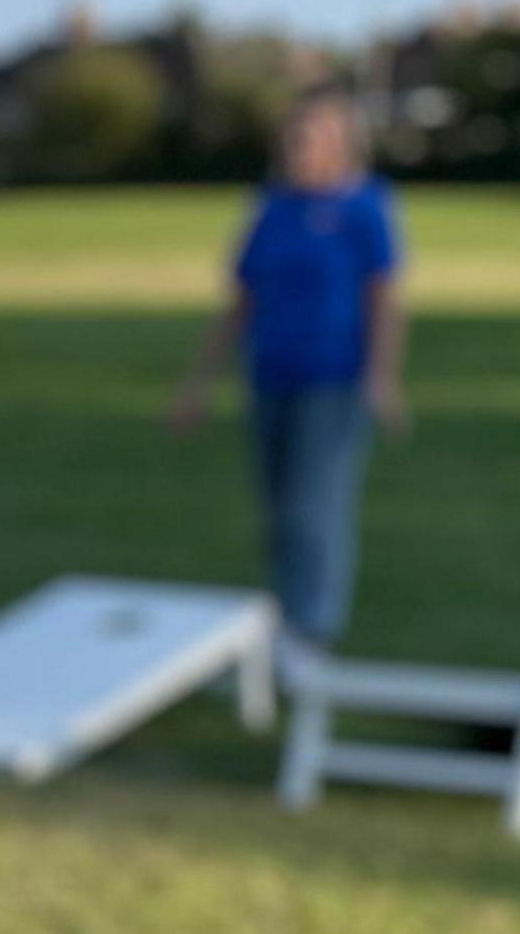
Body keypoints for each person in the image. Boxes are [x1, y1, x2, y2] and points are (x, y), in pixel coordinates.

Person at [169, 87, 411, 660]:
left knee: (314, 506)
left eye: (312, 134)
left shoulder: (365, 206)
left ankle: (313, 629)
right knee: (279, 511)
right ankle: (282, 621)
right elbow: (241, 300)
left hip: (334, 378)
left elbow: (384, 297)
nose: (299, 144)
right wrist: (198, 383)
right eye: (294, 133)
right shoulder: (272, 208)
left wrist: (383, 376)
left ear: (341, 143)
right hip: (271, 375)